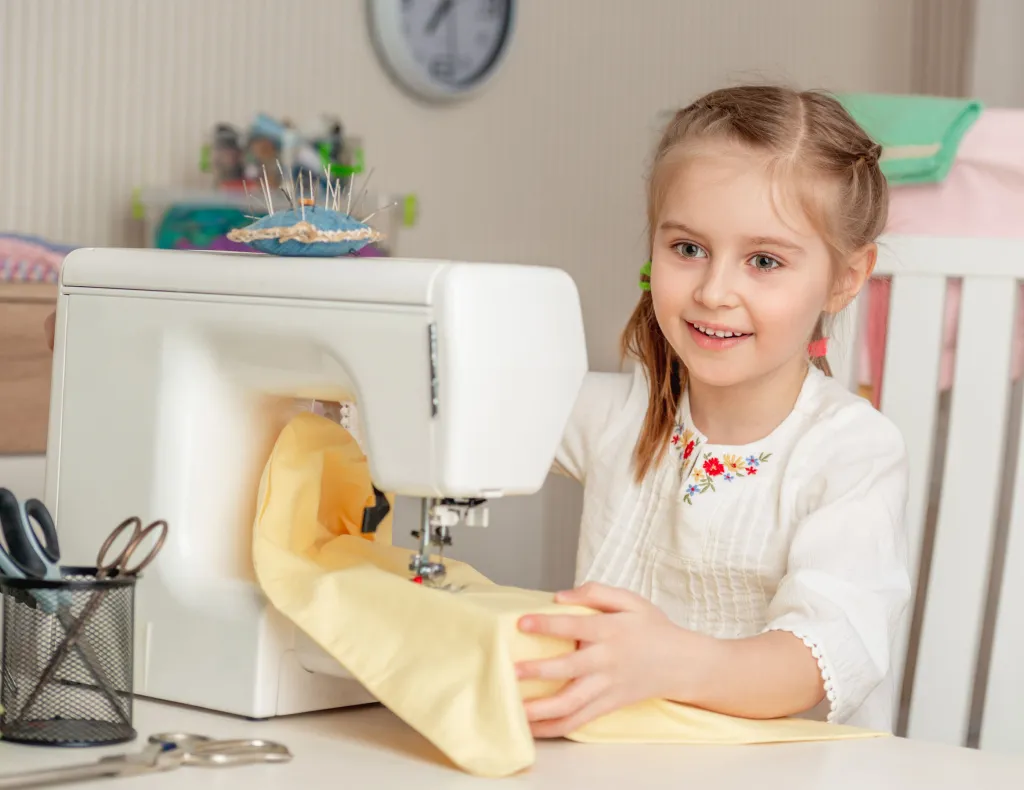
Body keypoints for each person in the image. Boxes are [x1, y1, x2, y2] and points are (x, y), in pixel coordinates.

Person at [515, 85, 910, 739]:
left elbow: (821, 659)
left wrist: (669, 662)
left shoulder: (851, 452)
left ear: (844, 278)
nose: (714, 291)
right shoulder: (624, 411)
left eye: (763, 261)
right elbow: (473, 414)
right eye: (688, 249)